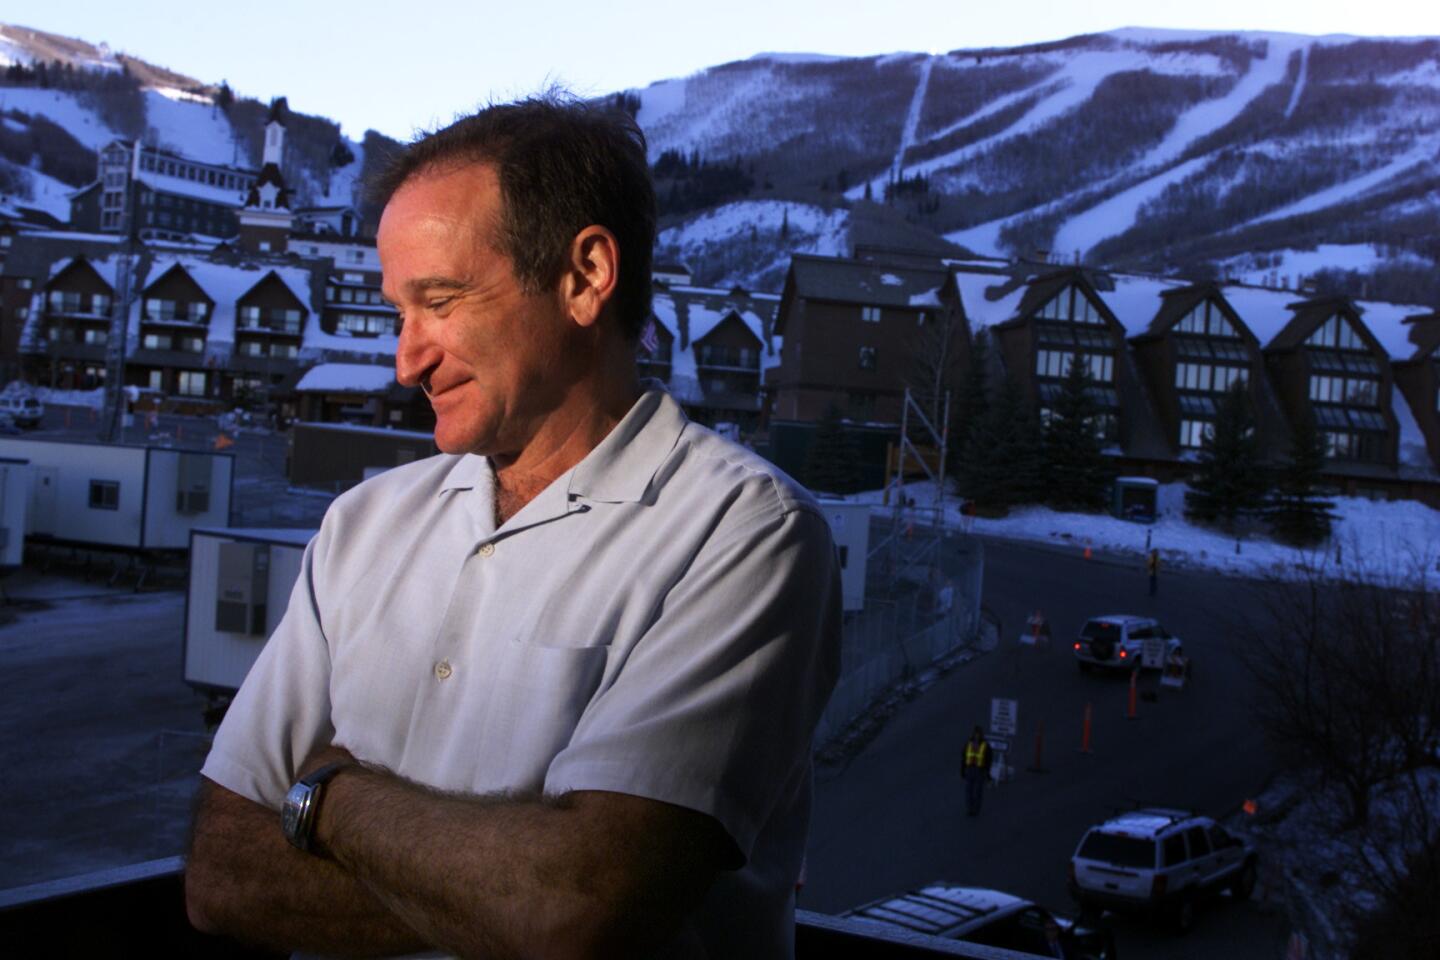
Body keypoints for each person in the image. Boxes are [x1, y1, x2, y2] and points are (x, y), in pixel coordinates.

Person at [184, 95, 842, 960]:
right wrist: (509, 868)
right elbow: (222, 873)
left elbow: (579, 911)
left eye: (441, 300)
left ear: (583, 277)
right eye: (398, 312)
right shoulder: (365, 524)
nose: (405, 358)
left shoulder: (747, 534)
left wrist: (326, 799)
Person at [962, 725, 994, 816]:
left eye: (978, 734)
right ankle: (970, 809)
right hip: (969, 769)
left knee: (978, 792)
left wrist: (987, 773)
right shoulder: (968, 744)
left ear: (981, 735)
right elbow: (964, 757)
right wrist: (962, 770)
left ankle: (976, 810)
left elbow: (988, 760)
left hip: (980, 771)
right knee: (969, 791)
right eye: (975, 734)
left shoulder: (985, 745)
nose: (977, 736)